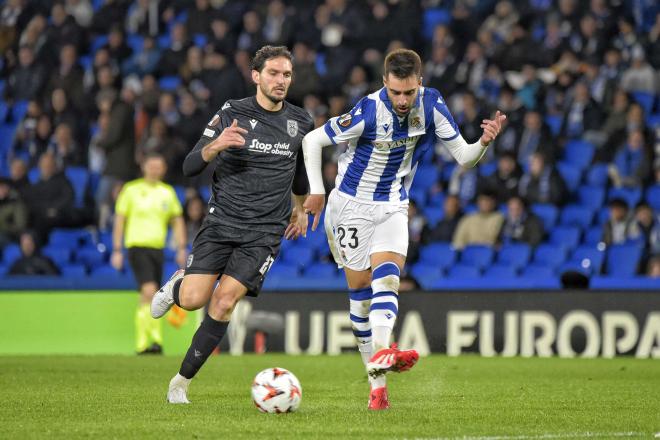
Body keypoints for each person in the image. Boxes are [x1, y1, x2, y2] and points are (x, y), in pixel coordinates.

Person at [301, 49, 505, 410]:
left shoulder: (432, 104)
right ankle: (377, 386)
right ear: (385, 84)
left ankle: (383, 352)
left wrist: (484, 143)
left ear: (419, 84)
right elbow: (312, 140)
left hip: (394, 205)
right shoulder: (367, 110)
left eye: (409, 92)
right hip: (350, 207)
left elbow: (465, 157)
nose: (402, 100)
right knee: (360, 296)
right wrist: (317, 190)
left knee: (389, 277)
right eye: (395, 92)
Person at [149, 46, 313, 404]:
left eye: (286, 74)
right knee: (193, 300)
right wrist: (215, 147)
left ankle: (181, 382)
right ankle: (178, 286)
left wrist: (299, 209)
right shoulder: (232, 112)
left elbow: (299, 172)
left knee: (223, 303)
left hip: (264, 233)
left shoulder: (301, 122)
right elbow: (190, 165)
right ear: (256, 76)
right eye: (273, 73)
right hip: (222, 222)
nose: (280, 80)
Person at [111, 153, 186, 355]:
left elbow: (177, 220)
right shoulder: (131, 189)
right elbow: (120, 219)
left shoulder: (167, 192)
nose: (154, 169)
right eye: (151, 165)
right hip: (137, 247)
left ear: (163, 169)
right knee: (150, 290)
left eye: (158, 166)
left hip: (157, 249)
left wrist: (181, 247)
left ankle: (142, 343)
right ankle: (156, 341)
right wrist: (117, 249)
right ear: (144, 167)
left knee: (146, 297)